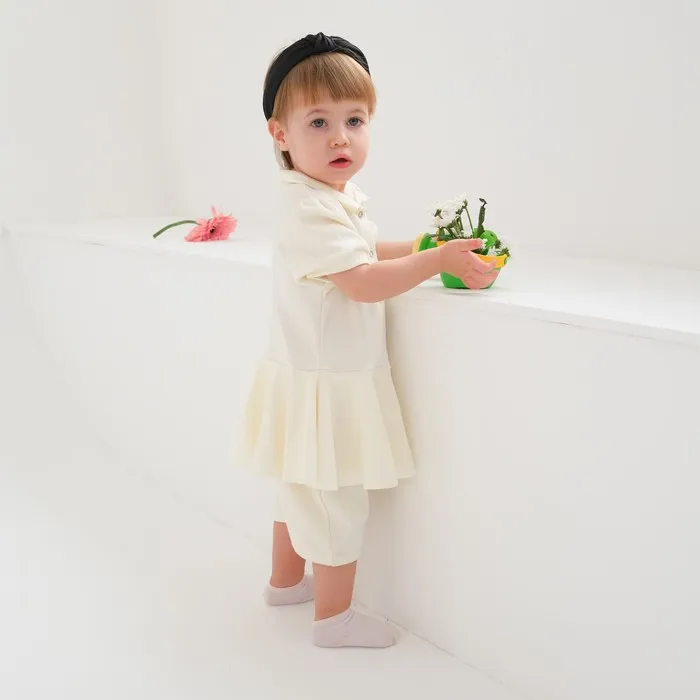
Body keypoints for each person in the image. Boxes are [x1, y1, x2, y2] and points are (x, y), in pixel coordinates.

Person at [239, 32, 497, 649]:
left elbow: (365, 250)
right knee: (335, 503)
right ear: (280, 133)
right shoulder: (309, 209)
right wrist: (434, 262)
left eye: (354, 121)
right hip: (328, 384)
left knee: (296, 492)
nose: (340, 139)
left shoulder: (326, 197)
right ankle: (334, 620)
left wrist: (425, 247)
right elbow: (361, 281)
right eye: (319, 122)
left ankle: (285, 584)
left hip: (307, 376)